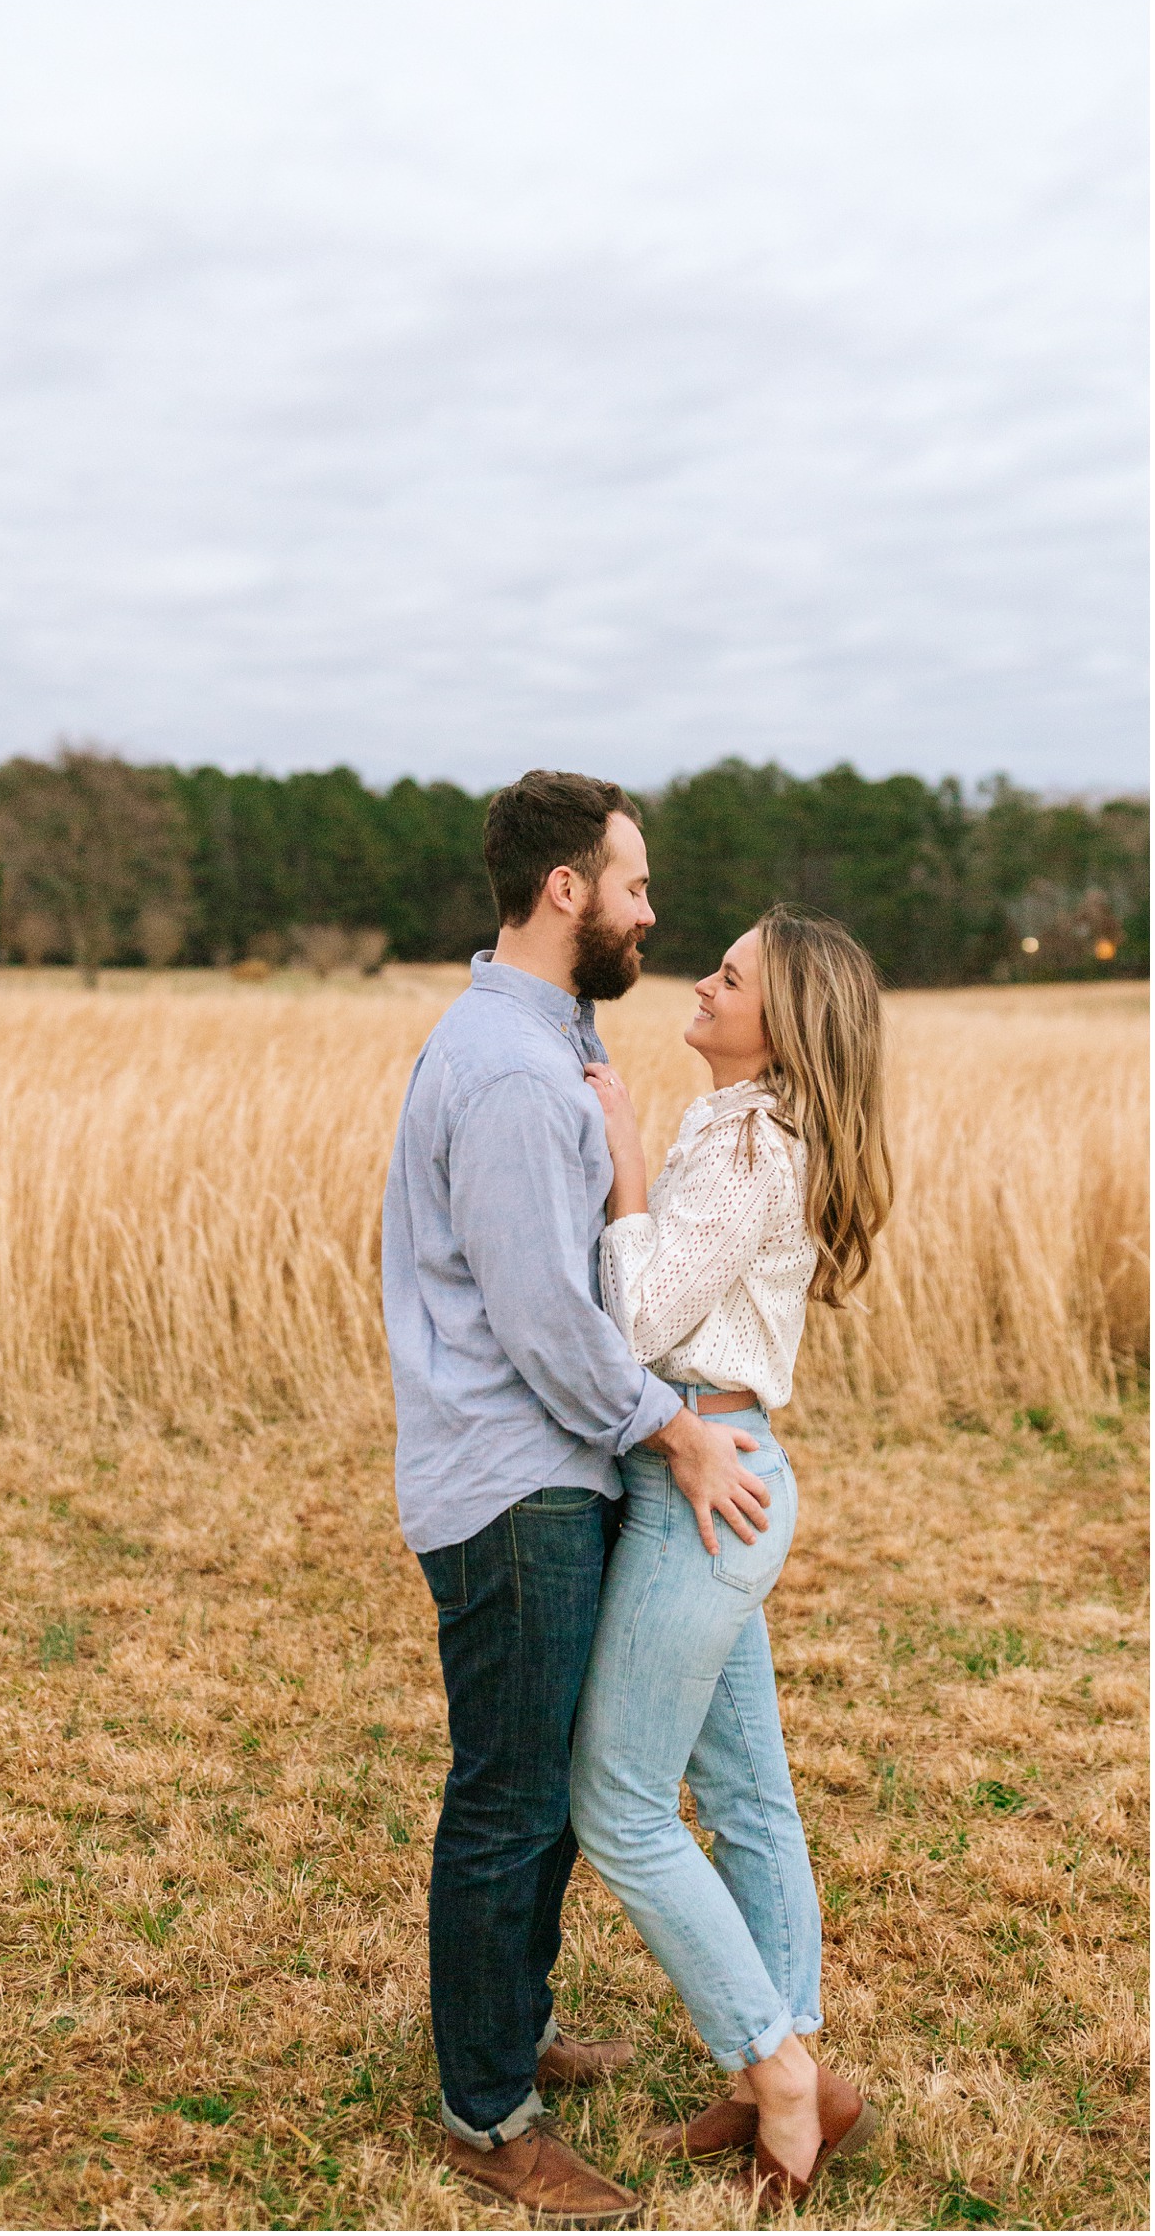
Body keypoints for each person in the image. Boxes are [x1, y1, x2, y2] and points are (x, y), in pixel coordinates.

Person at [381, 770, 772, 2227]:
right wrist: (669, 1430)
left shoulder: (550, 1046)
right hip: (514, 1482)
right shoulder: (508, 1070)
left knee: (538, 1785)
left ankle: (508, 2028)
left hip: (542, 1469)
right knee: (508, 1793)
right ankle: (487, 2111)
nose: (652, 914)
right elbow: (545, 1321)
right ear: (568, 891)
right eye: (635, 885)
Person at [570, 905, 894, 2210]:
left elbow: (643, 1314)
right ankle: (792, 2045)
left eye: (733, 974)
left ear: (783, 1021)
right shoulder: (748, 1124)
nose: (703, 979)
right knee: (749, 1788)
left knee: (621, 1803)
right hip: (724, 1463)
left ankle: (777, 2065)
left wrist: (625, 1162)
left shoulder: (749, 1137)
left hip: (705, 1480)